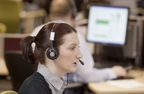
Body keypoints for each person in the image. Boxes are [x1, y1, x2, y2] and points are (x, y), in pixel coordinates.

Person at [31, 0, 127, 84]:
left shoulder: (36, 32)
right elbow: (87, 76)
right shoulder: (73, 36)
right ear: (72, 14)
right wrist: (112, 72)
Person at [18, 22, 83, 94]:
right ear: (52, 53)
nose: (80, 55)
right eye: (72, 48)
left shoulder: (55, 85)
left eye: (78, 47)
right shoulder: (36, 88)